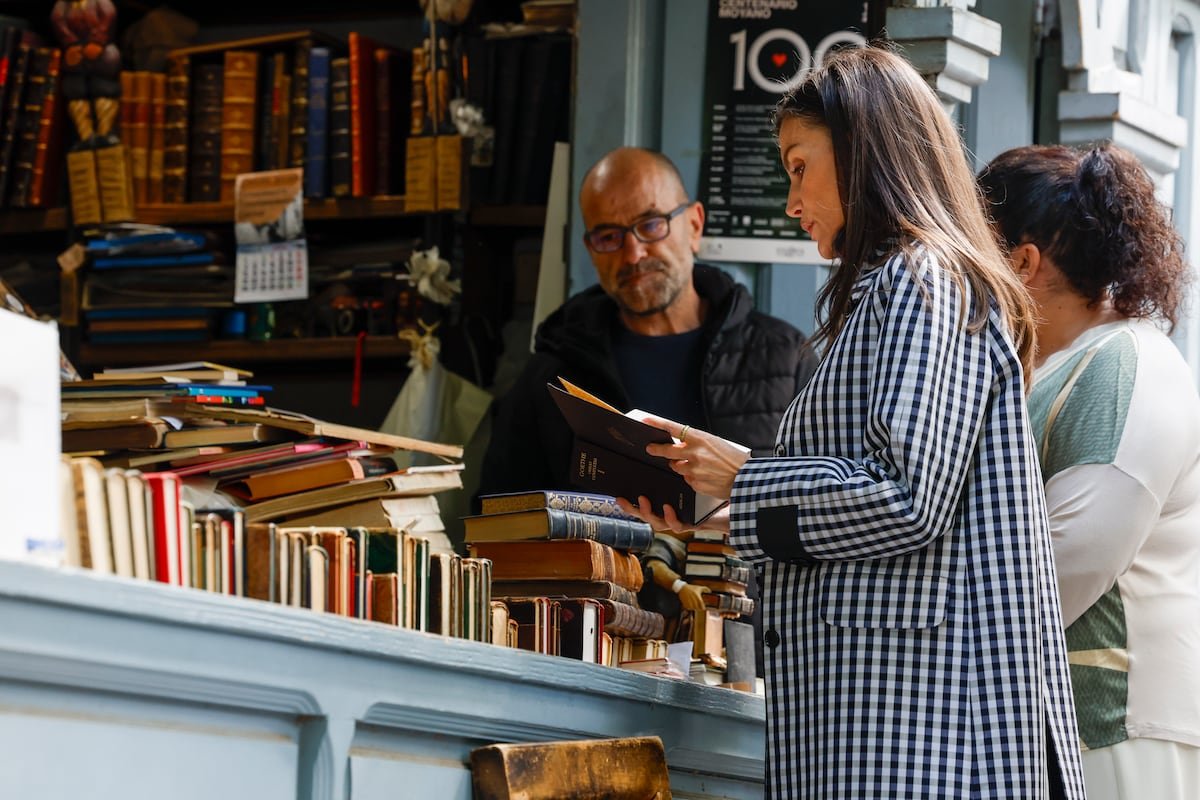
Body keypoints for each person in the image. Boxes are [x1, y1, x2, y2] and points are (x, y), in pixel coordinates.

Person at [619, 46, 1086, 799]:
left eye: (799, 167)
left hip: (925, 730)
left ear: (864, 149)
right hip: (885, 719)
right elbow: (872, 505)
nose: (791, 201)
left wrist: (746, 475)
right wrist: (717, 518)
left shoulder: (923, 280)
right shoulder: (892, 291)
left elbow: (906, 497)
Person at [477, 146, 818, 619]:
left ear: (694, 225)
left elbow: (819, 514)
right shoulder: (551, 376)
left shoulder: (787, 357)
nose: (633, 253)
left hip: (752, 646)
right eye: (609, 236)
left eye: (651, 225)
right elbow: (498, 527)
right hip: (595, 648)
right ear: (590, 249)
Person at [979, 142, 1200, 800]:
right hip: (1077, 732)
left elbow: (1063, 565)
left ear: (1022, 262)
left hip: (1114, 732)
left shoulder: (1122, 365)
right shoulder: (1073, 364)